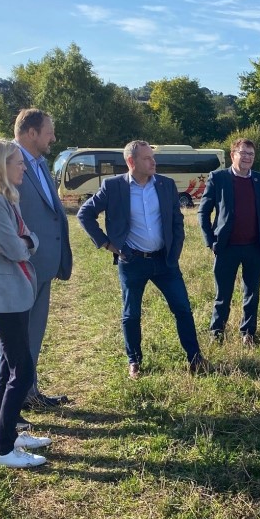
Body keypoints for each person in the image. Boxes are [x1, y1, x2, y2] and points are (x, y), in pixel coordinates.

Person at [77, 140, 206, 379]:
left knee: (183, 309)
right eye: (147, 158)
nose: (153, 162)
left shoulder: (166, 185)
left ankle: (195, 358)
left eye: (152, 157)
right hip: (132, 261)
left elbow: (177, 221)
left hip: (165, 261)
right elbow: (85, 214)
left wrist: (174, 251)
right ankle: (134, 360)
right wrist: (106, 243)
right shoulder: (113, 186)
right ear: (131, 162)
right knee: (132, 313)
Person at [0, 139, 52, 468]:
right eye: (17, 163)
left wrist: (26, 242)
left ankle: (13, 431)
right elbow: (19, 248)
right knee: (23, 369)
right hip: (2, 296)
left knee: (10, 365)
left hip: (15, 291)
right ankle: (4, 450)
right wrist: (26, 242)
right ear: (0, 166)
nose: (23, 167)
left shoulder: (7, 199)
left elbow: (29, 238)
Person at [14, 109, 72, 409]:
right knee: (15, 338)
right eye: (49, 131)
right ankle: (12, 399)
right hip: (21, 266)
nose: (53, 137)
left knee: (33, 333)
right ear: (31, 133)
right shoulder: (9, 163)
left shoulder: (38, 164)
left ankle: (28, 392)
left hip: (43, 265)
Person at [197, 138, 260, 345]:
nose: (248, 157)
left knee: (252, 293)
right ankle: (217, 332)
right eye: (243, 153)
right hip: (226, 247)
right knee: (223, 294)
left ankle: (248, 332)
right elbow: (203, 212)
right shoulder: (218, 178)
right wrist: (210, 241)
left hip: (255, 247)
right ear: (233, 155)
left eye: (251, 154)